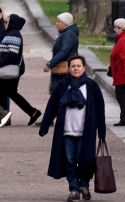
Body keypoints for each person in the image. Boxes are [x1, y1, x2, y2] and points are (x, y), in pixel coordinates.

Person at [39, 54, 107, 202]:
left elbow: (100, 108)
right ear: (69, 68)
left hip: (86, 131)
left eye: (78, 66)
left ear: (84, 68)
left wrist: (102, 131)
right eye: (73, 66)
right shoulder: (62, 86)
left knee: (85, 160)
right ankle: (74, 189)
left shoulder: (92, 86)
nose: (76, 69)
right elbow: (52, 107)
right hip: (66, 131)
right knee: (70, 161)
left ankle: (84, 186)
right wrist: (45, 126)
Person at [0, 14, 42, 125]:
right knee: (5, 92)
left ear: (12, 23)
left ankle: (31, 112)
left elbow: (13, 52)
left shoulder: (14, 34)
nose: (4, 24)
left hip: (11, 68)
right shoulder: (11, 33)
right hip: (10, 68)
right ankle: (6, 116)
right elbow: (9, 49)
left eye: (7, 22)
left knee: (8, 92)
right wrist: (0, 52)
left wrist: (1, 63)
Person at [45, 12, 80, 93]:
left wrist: (50, 64)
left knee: (61, 93)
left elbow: (64, 51)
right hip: (61, 70)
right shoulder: (65, 33)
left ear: (65, 23)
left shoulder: (69, 34)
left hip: (64, 71)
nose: (56, 24)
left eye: (59, 22)